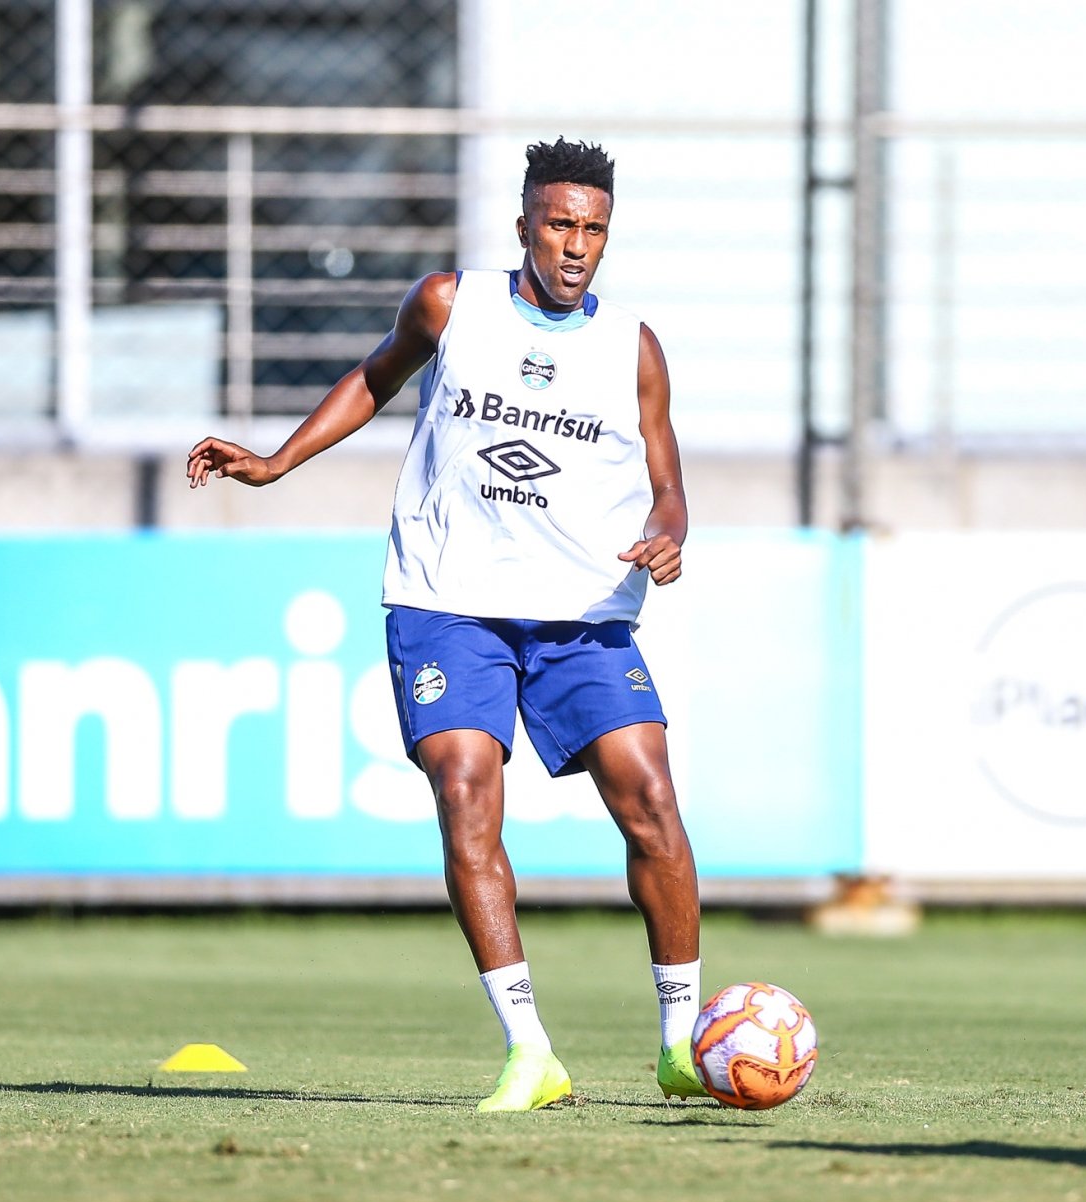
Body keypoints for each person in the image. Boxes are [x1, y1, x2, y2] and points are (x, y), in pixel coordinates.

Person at [186, 138, 709, 1113]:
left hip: (582, 613)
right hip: (447, 599)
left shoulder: (632, 347)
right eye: (559, 224)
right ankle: (528, 1052)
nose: (576, 246)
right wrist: (274, 461)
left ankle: (683, 1043)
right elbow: (376, 377)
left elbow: (669, 485)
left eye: (594, 229)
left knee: (649, 800)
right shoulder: (449, 303)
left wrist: (668, 535)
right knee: (466, 789)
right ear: (523, 226)